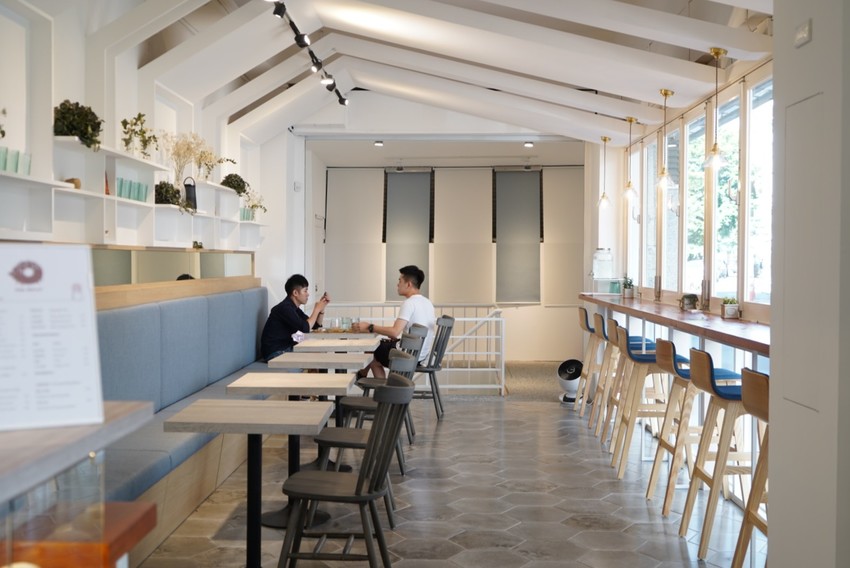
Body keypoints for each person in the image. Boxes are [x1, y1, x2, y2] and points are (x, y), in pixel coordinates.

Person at [355, 265, 435, 378]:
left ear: (408, 284)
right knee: (378, 352)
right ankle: (368, 377)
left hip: (407, 356)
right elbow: (397, 332)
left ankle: (366, 376)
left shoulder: (409, 303)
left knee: (371, 349)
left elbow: (394, 332)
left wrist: (370, 327)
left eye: (400, 281)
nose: (398, 284)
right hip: (421, 356)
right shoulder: (427, 303)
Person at [260, 274, 330, 362]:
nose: (308, 294)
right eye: (305, 291)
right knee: (319, 354)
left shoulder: (294, 308)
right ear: (295, 293)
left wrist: (321, 310)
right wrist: (316, 309)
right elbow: (305, 328)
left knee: (320, 349)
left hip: (286, 346)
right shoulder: (285, 308)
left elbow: (315, 326)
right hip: (275, 352)